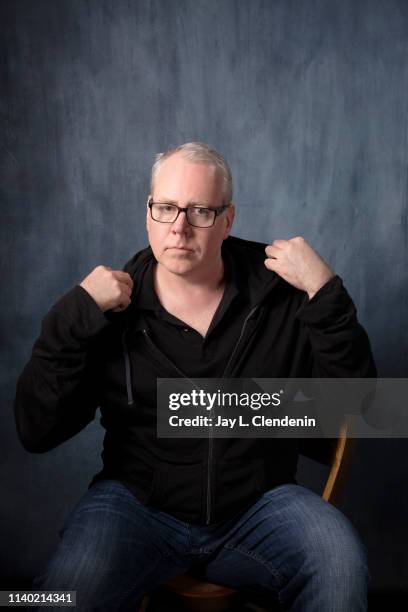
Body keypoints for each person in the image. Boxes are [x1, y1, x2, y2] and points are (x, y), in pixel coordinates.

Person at [14, 142, 376, 611]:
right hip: (134, 508)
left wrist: (326, 294)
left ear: (227, 219)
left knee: (339, 559)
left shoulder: (283, 295)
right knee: (59, 597)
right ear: (148, 213)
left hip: (260, 506)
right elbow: (35, 431)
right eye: (166, 208)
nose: (179, 228)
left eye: (200, 211)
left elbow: (361, 412)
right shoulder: (107, 309)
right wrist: (72, 317)